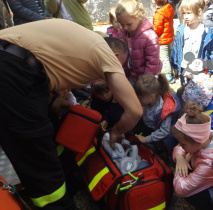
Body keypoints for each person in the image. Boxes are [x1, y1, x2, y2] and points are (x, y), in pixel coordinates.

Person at [0, 19, 142, 209]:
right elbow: (134, 110)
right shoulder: (104, 52)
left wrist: (50, 101)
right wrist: (116, 132)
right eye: (120, 65)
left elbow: (43, 66)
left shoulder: (84, 39)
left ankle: (69, 178)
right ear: (115, 55)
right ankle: (58, 202)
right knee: (39, 158)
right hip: (14, 72)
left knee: (54, 127)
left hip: (14, 64)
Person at [133, 73, 181, 158]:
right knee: (132, 130)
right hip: (150, 126)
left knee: (155, 147)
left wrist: (146, 139)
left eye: (140, 97)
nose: (137, 99)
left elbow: (164, 131)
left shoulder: (163, 109)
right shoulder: (146, 101)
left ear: (152, 96)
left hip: (164, 134)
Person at [171, 0, 213, 86]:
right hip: (184, 68)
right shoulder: (181, 30)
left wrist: (210, 71)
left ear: (198, 12)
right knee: (185, 91)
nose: (185, 16)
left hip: (199, 69)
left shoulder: (206, 32)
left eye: (189, 13)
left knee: (198, 92)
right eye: (184, 13)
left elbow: (211, 52)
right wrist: (175, 66)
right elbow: (176, 49)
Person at [116, 0, 162, 84]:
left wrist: (146, 82)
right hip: (131, 76)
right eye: (122, 24)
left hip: (146, 80)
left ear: (139, 16)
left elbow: (152, 63)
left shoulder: (149, 37)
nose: (125, 28)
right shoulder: (123, 34)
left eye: (129, 24)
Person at [152, 0, 175, 83]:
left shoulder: (159, 14)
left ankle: (169, 76)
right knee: (170, 57)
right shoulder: (169, 9)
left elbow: (157, 30)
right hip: (170, 39)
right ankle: (172, 73)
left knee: (165, 59)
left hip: (162, 41)